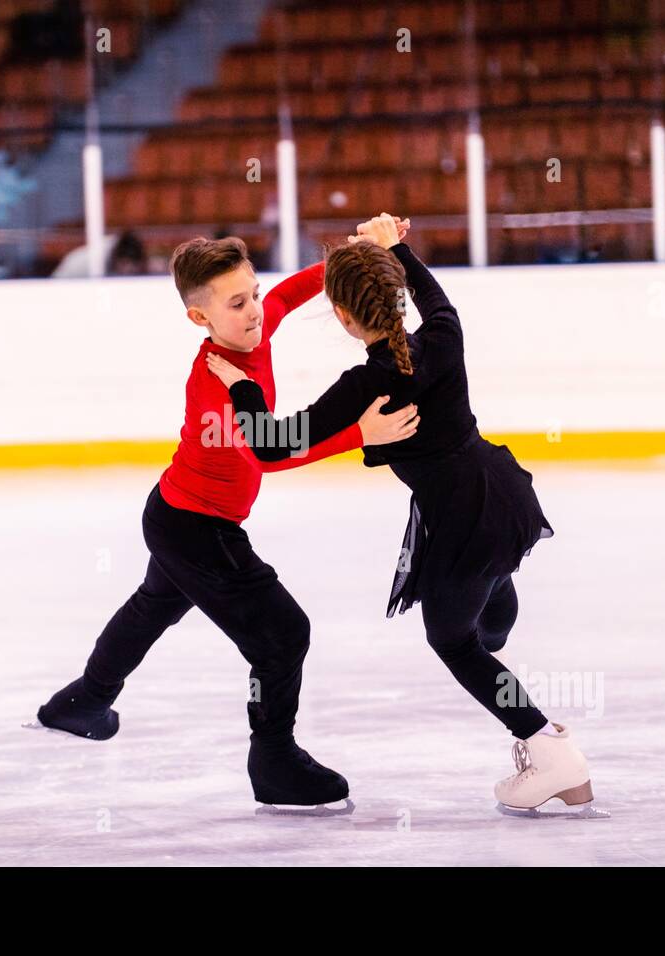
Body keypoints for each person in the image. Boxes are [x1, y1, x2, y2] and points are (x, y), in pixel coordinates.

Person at [205, 214, 605, 818]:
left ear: (343, 317)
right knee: (488, 601)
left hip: (460, 521)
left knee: (454, 641)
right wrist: (398, 249)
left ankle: (548, 748)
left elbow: (268, 444)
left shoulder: (364, 385)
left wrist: (241, 386)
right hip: (502, 492)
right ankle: (500, 611)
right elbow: (436, 300)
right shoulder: (443, 335)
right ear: (398, 292)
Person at [36, 234, 420, 808]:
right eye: (237, 303)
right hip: (196, 529)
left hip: (175, 512)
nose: (255, 311)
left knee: (151, 608)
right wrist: (358, 434)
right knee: (283, 635)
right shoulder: (215, 386)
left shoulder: (254, 328)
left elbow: (286, 296)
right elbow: (271, 451)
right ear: (200, 317)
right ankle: (274, 760)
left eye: (253, 294)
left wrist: (350, 255)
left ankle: (83, 701)